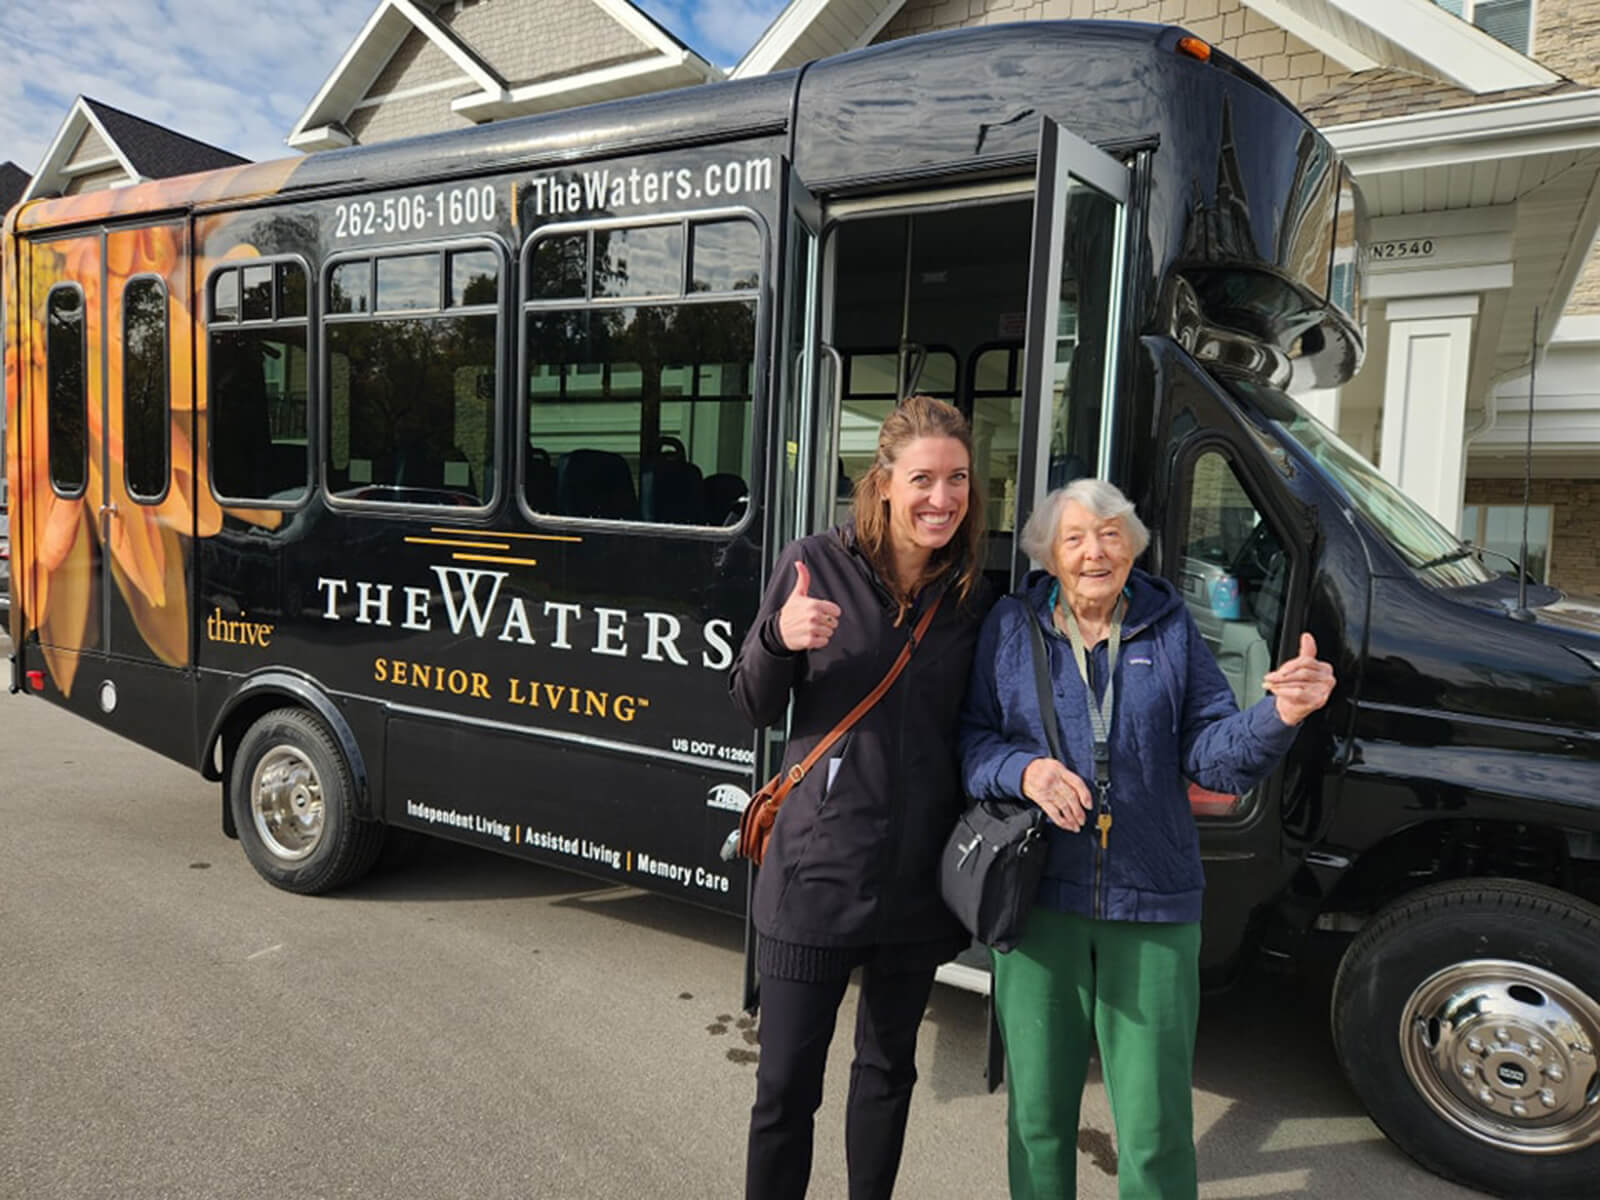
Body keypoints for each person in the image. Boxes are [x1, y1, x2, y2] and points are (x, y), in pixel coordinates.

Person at [958, 478, 1335, 1200]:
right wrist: (1026, 769)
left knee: (1156, 1128)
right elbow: (971, 744)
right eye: (1075, 538)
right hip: (1039, 905)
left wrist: (1279, 715)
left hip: (1155, 904)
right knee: (1037, 1117)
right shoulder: (1011, 629)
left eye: (1110, 535)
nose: (1094, 551)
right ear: (1048, 554)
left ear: (1131, 549)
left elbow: (1211, 756)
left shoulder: (1169, 630)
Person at [730, 394, 993, 1200]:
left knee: (888, 1074)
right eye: (921, 478)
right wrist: (780, 638)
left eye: (956, 479)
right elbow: (748, 702)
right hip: (818, 873)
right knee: (785, 1092)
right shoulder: (817, 562)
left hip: (916, 885)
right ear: (883, 483)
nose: (940, 498)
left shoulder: (974, 594)